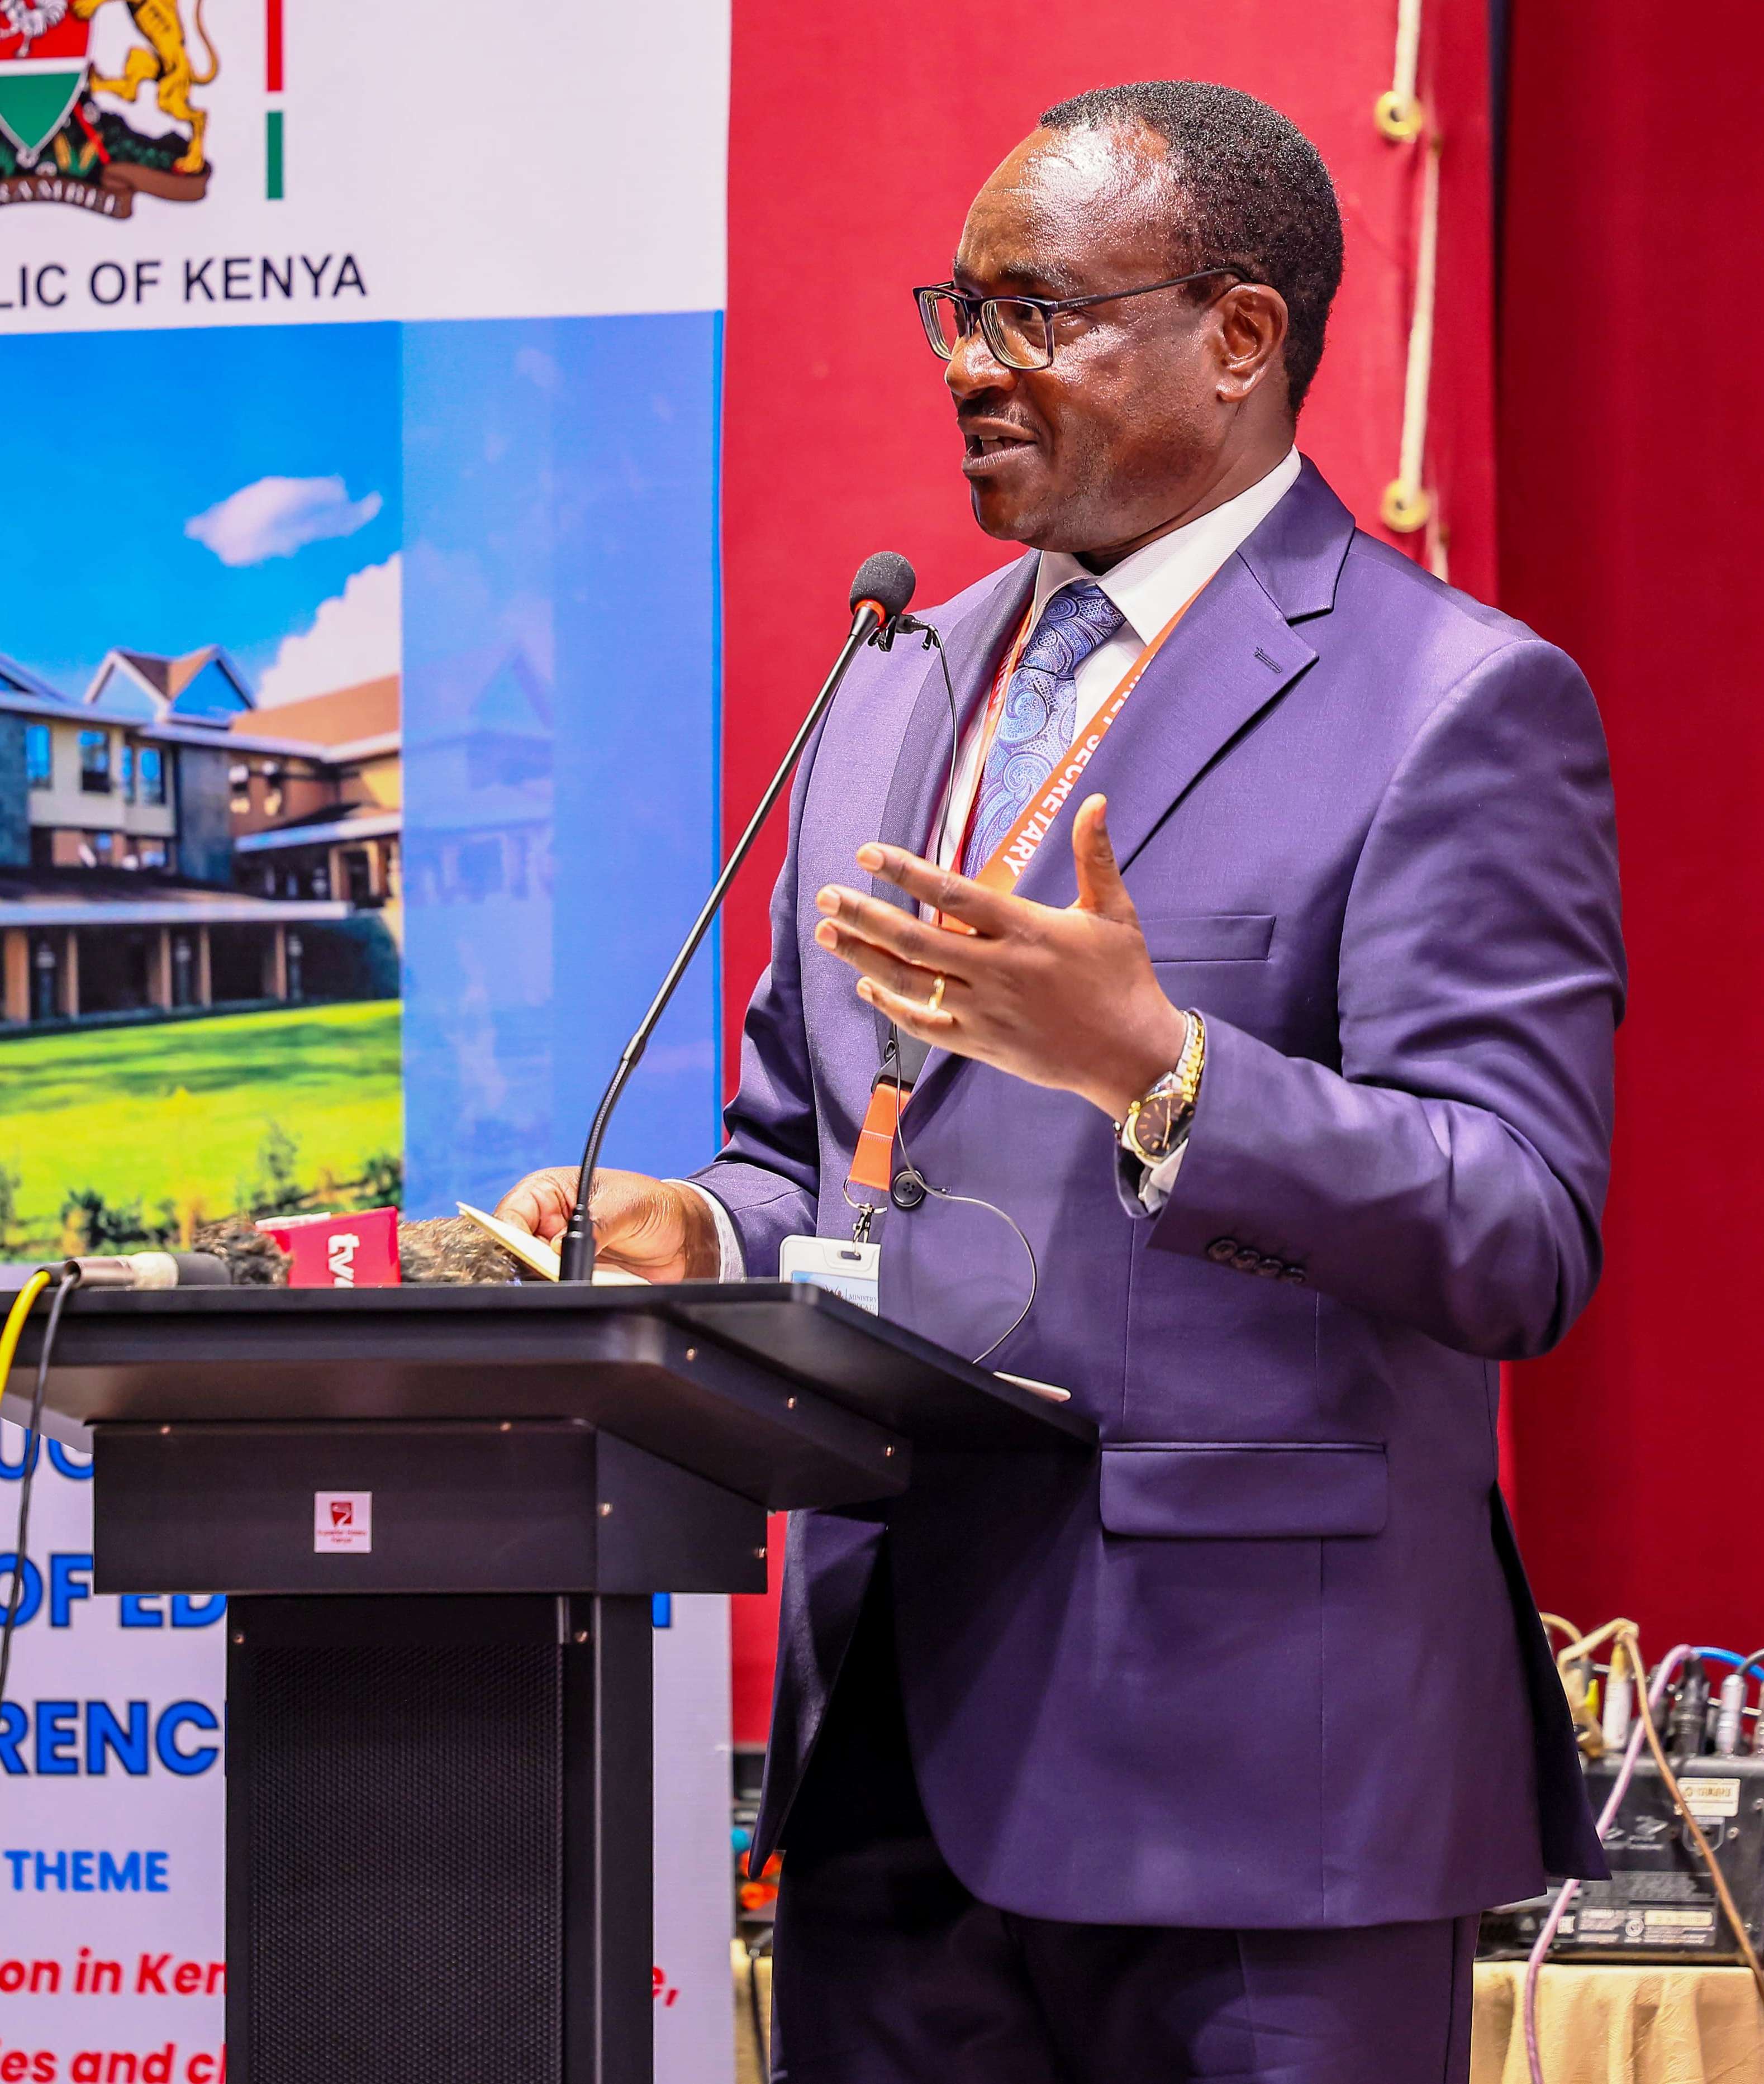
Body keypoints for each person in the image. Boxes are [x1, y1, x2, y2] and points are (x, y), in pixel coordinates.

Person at [497, 78, 1623, 2084]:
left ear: (1241, 335)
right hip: (893, 1769)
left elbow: (1519, 1226)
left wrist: (1169, 1072)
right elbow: (814, 1153)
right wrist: (700, 1225)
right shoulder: (894, 681)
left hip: (1259, 1784)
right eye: (958, 308)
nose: (966, 364)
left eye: (1034, 316)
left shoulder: (1454, 702)